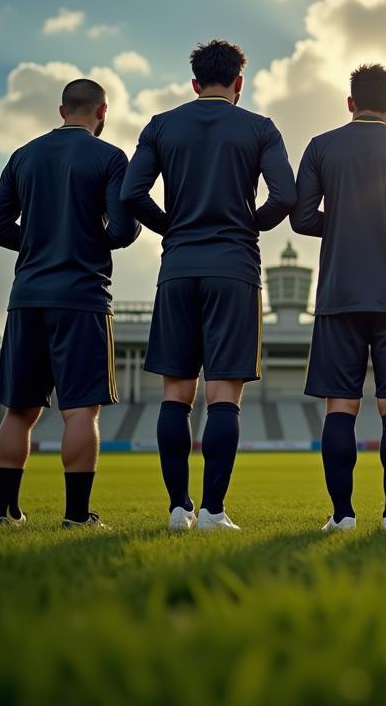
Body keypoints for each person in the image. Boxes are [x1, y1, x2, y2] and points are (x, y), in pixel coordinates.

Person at [121, 40, 296, 532]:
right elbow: (287, 194)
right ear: (239, 83)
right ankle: (215, 513)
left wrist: (171, 228)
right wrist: (247, 226)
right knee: (224, 396)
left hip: (177, 267)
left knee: (175, 394)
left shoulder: (160, 125)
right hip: (234, 267)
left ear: (194, 83)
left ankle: (179, 509)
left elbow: (131, 193)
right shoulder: (259, 127)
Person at [291, 63, 386, 533]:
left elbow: (300, 218)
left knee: (341, 407)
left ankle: (341, 517)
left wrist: (339, 228)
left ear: (350, 101)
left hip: (340, 292)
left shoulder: (321, 146)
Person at [0, 78, 140, 529]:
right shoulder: (110, 158)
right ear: (102, 112)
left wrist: (38, 242)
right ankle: (76, 516)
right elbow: (122, 231)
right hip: (83, 298)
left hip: (28, 296)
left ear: (61, 110)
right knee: (80, 410)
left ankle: (6, 513)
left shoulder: (23, 155)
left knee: (19, 410)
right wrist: (86, 242)